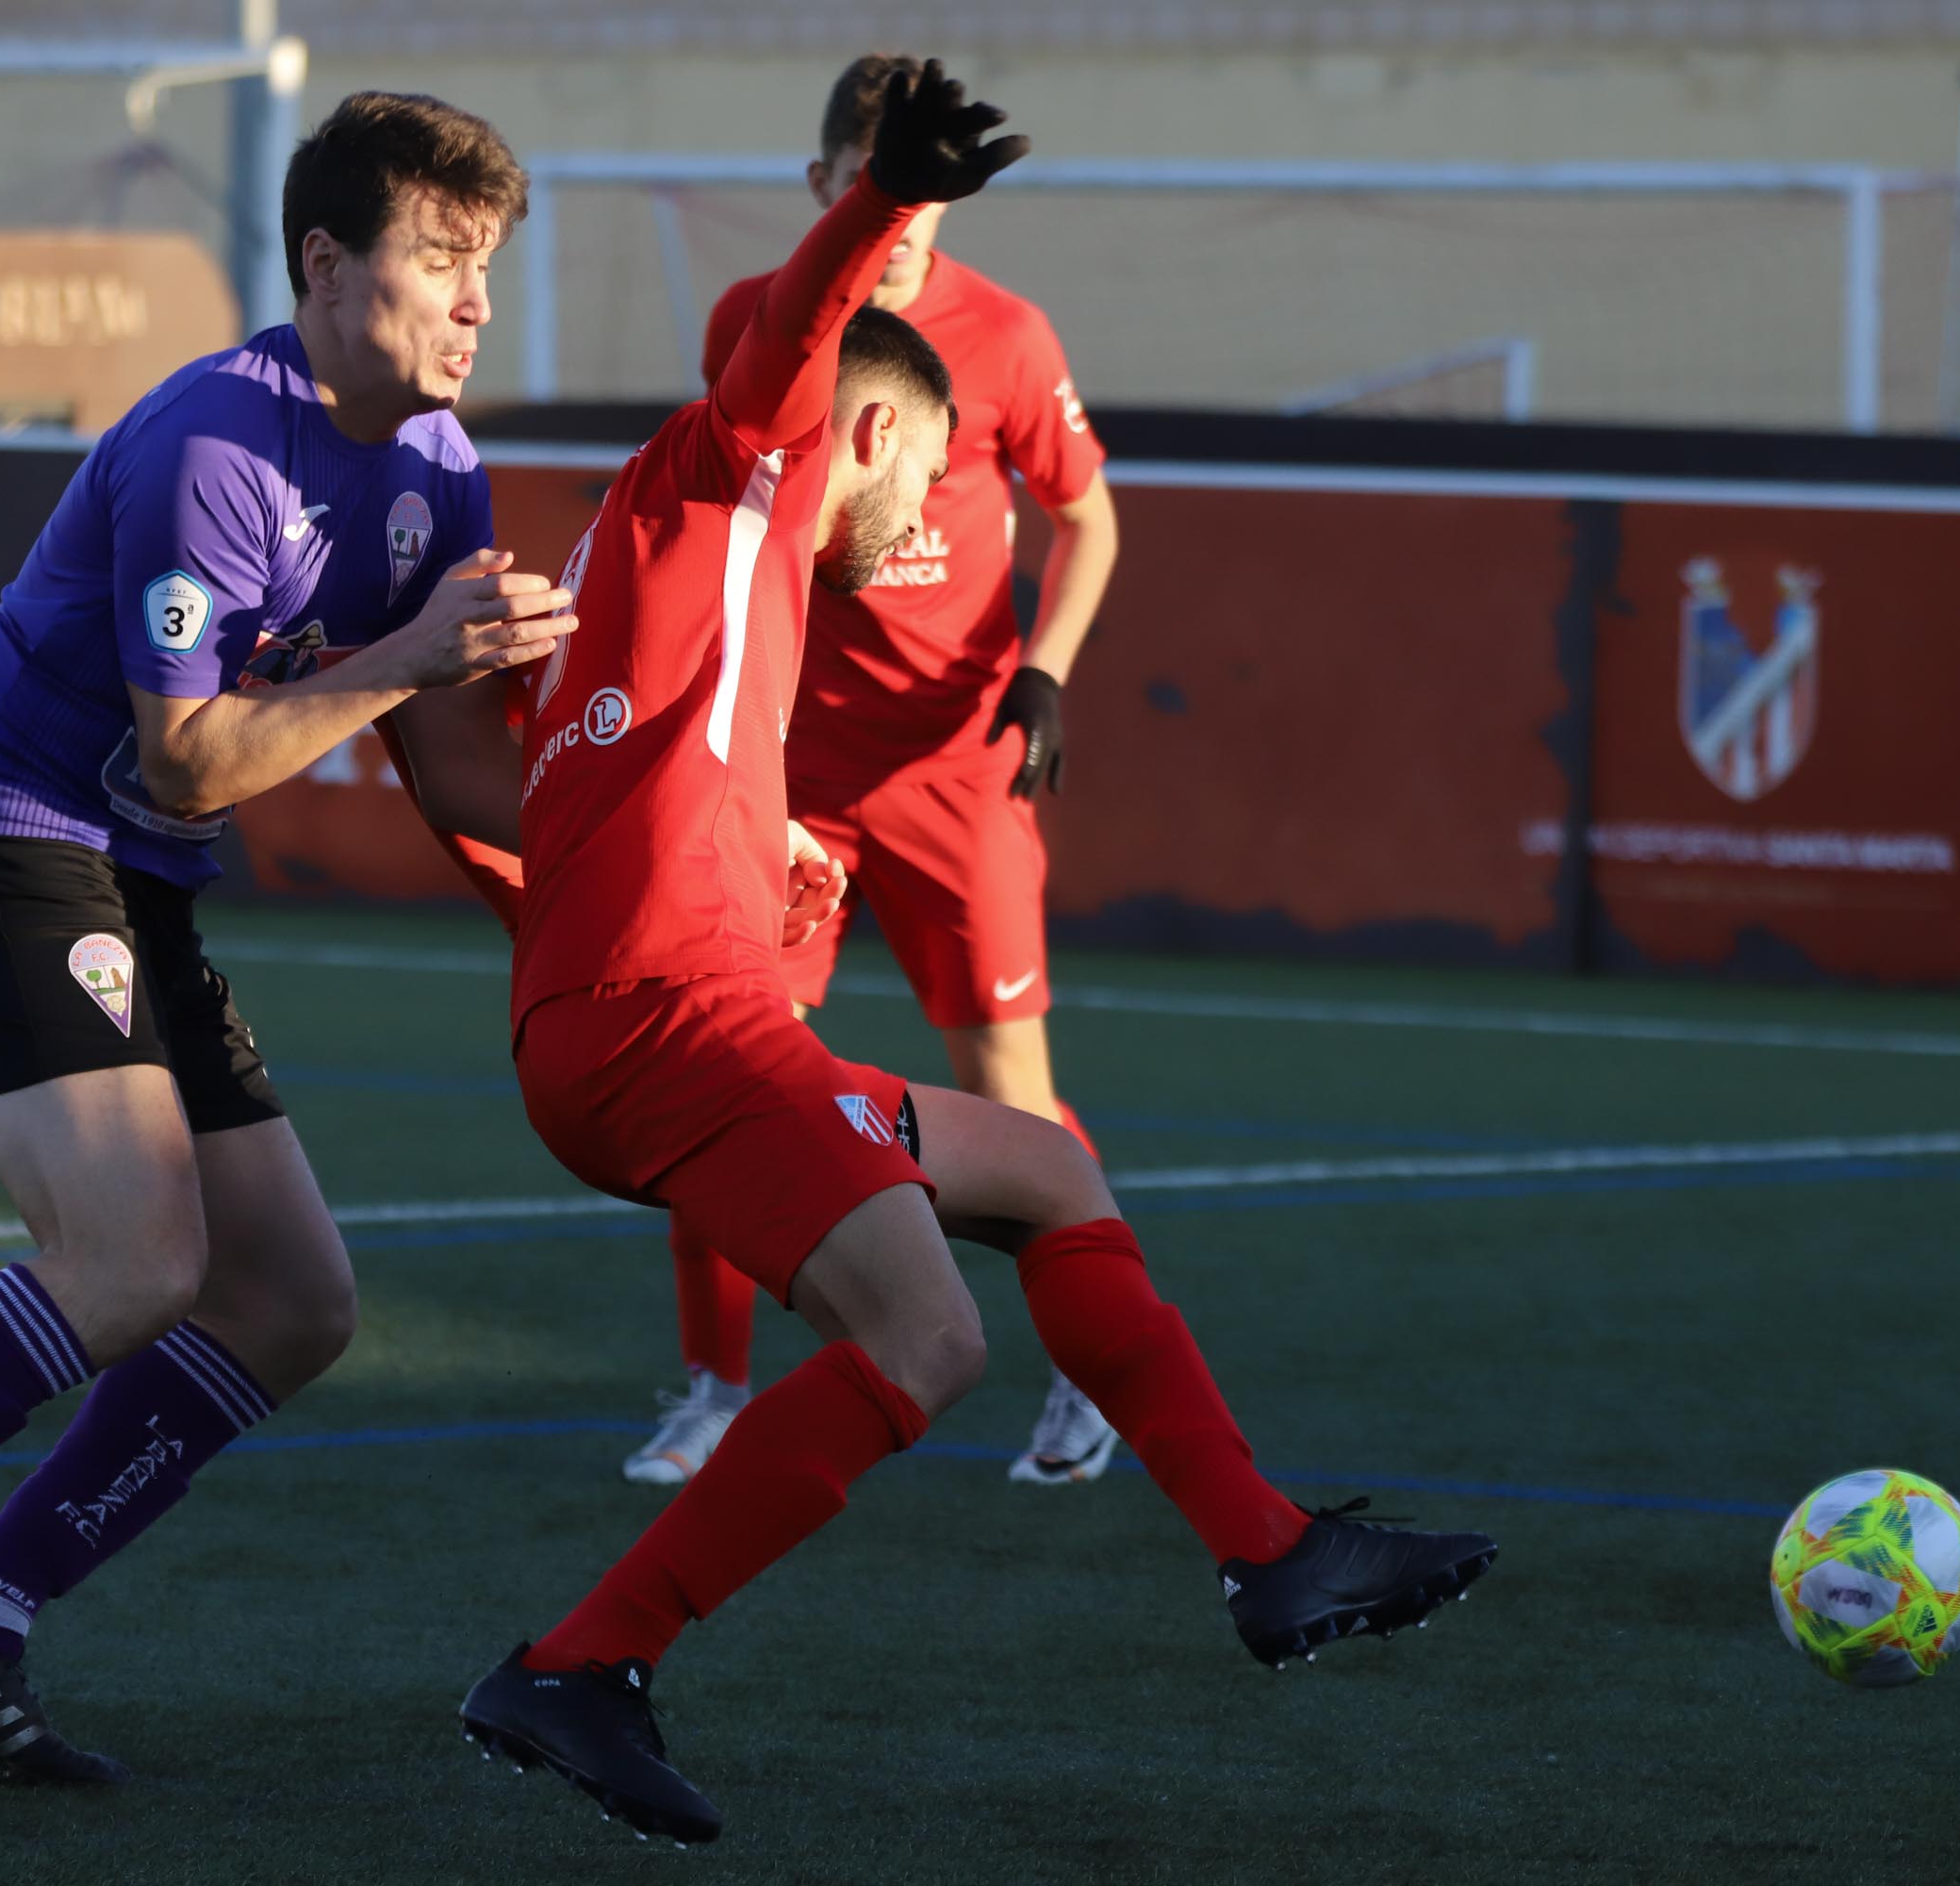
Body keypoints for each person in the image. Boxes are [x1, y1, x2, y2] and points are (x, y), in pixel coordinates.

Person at [432, 64, 1497, 1846]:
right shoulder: (740, 470)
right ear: (861, 433)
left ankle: (1272, 1557)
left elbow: (520, 806)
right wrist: (876, 210)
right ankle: (579, 1665)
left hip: (642, 1017)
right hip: (668, 1026)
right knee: (927, 1343)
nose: (916, 518)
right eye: (916, 469)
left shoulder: (675, 562)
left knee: (1047, 1167)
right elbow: (788, 349)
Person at [0, 93, 572, 1802]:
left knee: (292, 1300)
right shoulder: (221, 439)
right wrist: (421, 650)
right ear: (324, 264)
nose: (475, 304)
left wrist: (588, 903)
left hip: (136, 885)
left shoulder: (434, 468)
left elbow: (449, 760)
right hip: (3, 844)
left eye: (487, 268)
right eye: (442, 263)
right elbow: (194, 757)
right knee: (134, 1264)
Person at [617, 52, 1128, 1492]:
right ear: (826, 191)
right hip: (792, 775)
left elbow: (1090, 522)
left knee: (1014, 1094)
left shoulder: (1010, 339)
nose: (898, 231)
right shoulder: (760, 320)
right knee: (725, 1077)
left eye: (921, 209)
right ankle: (715, 1390)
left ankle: (1090, 1381)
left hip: (960, 770)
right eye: (870, 197)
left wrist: (1046, 672)